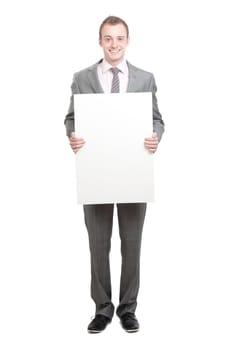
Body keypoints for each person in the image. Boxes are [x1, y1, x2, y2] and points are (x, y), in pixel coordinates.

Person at [64, 15, 165, 333]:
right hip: (96, 171)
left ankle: (128, 308)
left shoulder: (144, 78)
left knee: (132, 243)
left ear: (128, 41)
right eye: (108, 38)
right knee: (98, 243)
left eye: (119, 38)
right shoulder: (82, 78)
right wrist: (74, 135)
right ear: (100, 41)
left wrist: (155, 136)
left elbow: (157, 119)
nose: (114, 44)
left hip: (134, 170)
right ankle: (102, 308)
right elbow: (71, 118)